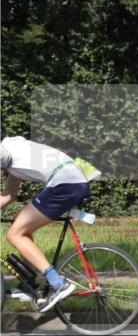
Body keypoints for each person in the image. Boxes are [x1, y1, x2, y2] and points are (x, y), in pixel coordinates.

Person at [0, 125, 90, 312]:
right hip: (72, 181)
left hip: (64, 184)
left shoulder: (4, 151)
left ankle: (58, 283)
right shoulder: (16, 147)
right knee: (21, 224)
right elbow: (9, 195)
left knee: (14, 235)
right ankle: (28, 283)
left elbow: (3, 158)